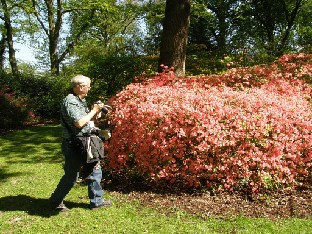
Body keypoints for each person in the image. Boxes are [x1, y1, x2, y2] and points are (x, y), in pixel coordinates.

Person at [49, 74, 112, 211]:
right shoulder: (70, 101)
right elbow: (79, 123)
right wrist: (94, 110)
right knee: (72, 175)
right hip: (74, 144)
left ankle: (96, 201)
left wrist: (97, 113)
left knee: (95, 170)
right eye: (88, 86)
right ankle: (55, 201)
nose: (89, 88)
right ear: (80, 87)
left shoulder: (80, 101)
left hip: (85, 142)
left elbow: (86, 121)